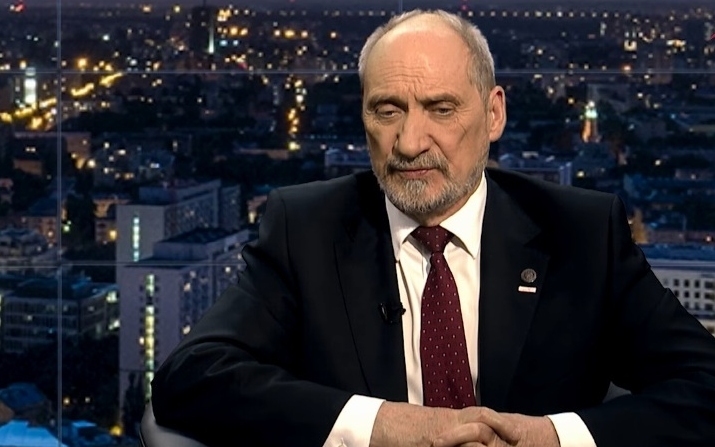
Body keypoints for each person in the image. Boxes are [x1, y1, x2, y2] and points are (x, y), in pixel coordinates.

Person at [151, 9, 715, 447]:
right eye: (387, 110)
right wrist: (383, 427)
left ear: (493, 114)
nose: (410, 141)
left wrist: (553, 437)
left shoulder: (582, 233)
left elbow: (704, 384)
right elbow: (192, 376)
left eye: (441, 109)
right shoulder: (305, 228)